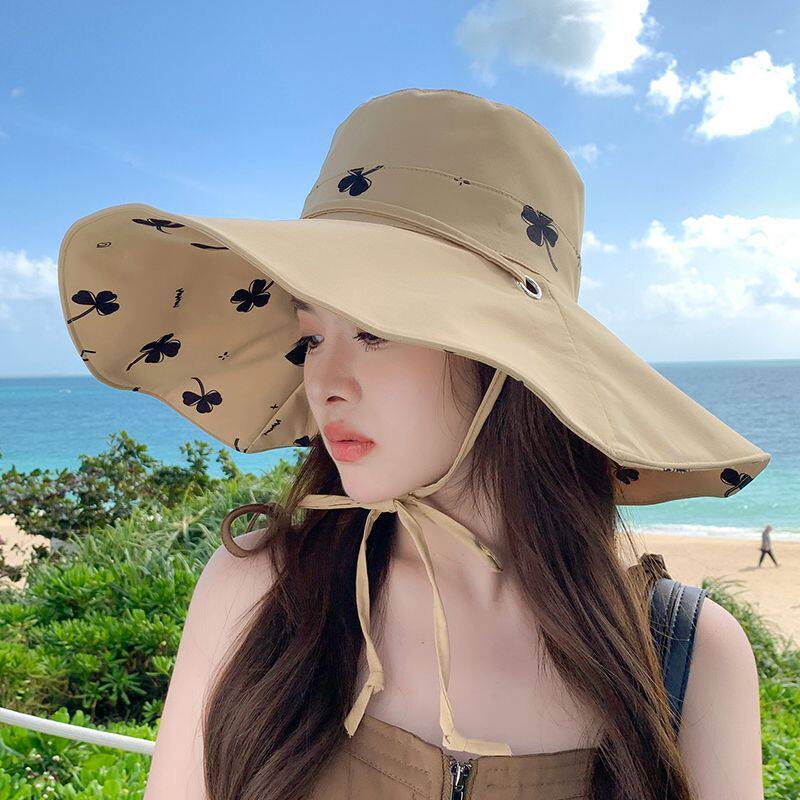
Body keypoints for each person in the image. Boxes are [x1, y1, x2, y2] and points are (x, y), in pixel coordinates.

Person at [58, 88, 769, 800]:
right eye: (312, 337)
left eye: (373, 330)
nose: (323, 383)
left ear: (507, 361)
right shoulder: (260, 589)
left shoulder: (688, 657)